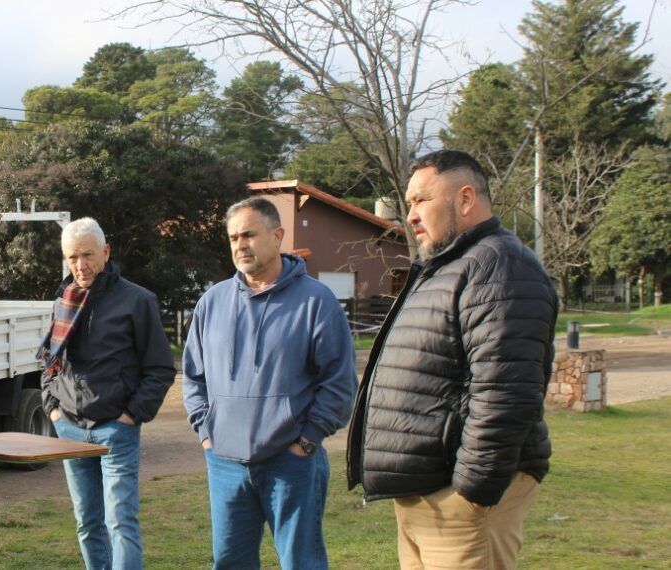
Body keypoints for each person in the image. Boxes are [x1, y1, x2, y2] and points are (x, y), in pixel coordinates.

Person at [346, 150, 558, 569]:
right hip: (424, 493)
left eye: (421, 200)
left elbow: (506, 394)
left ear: (465, 199)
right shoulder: (444, 267)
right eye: (408, 204)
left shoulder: (499, 266)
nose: (410, 216)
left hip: (458, 501)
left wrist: (471, 493)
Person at [183, 196, 356, 569]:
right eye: (233, 237)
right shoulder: (212, 302)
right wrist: (207, 433)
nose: (240, 245)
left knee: (301, 562)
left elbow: (339, 383)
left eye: (249, 234)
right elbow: (193, 376)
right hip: (225, 463)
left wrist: (308, 440)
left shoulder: (317, 301)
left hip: (290, 463)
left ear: (277, 236)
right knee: (229, 563)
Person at [40, 217, 176, 570]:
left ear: (106, 252)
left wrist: (130, 416)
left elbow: (160, 369)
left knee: (121, 524)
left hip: (116, 429)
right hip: (69, 428)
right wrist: (53, 408)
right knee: (87, 524)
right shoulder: (63, 300)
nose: (80, 266)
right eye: (72, 257)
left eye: (87, 255)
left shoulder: (138, 300)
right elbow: (49, 362)